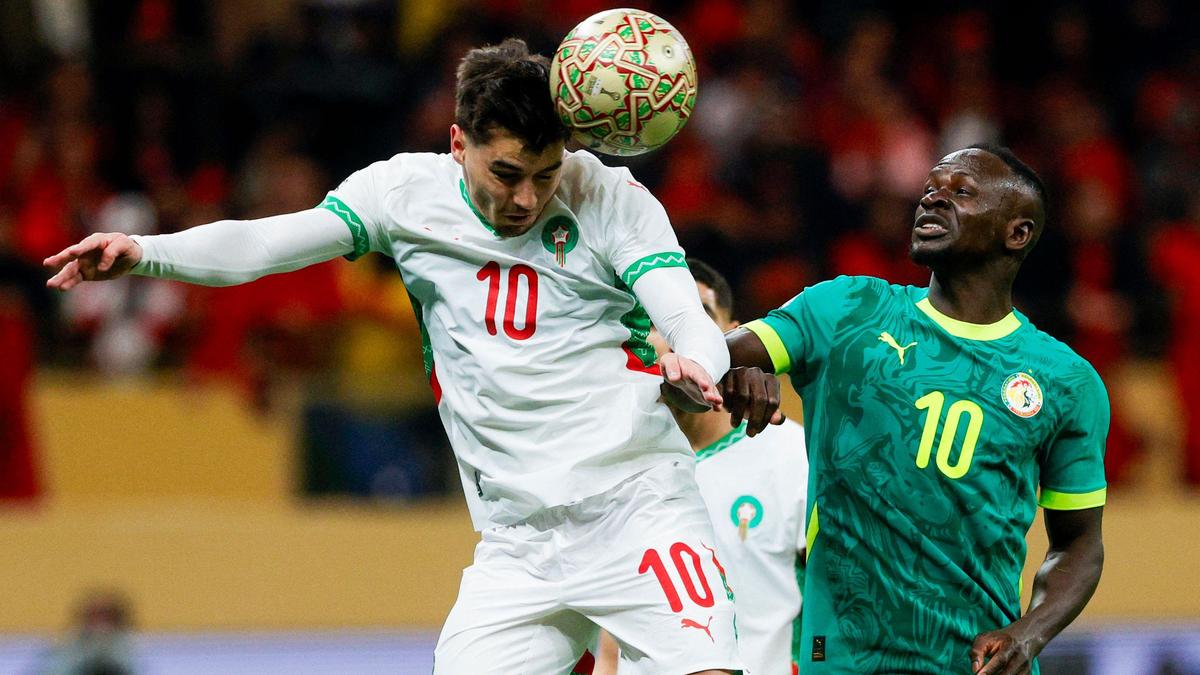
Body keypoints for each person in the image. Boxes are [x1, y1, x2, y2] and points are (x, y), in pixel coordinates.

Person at [43, 39, 740, 675]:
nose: (527, 198)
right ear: (458, 142)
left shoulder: (612, 198)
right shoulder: (403, 194)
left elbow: (686, 314)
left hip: (637, 508)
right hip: (516, 542)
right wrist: (146, 252)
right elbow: (263, 244)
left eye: (546, 174)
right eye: (506, 173)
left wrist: (697, 363)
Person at [722, 145, 1107, 674]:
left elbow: (1079, 543)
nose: (933, 199)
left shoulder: (1065, 381)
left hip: (973, 663)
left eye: (961, 191)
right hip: (844, 661)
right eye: (930, 188)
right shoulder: (846, 309)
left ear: (1017, 233)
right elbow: (698, 364)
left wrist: (1029, 634)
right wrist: (731, 368)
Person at [596, 258, 809, 675]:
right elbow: (609, 639)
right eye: (658, 321)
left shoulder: (791, 455)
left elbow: (841, 598)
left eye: (701, 317)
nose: (683, 339)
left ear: (734, 334)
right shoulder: (609, 463)